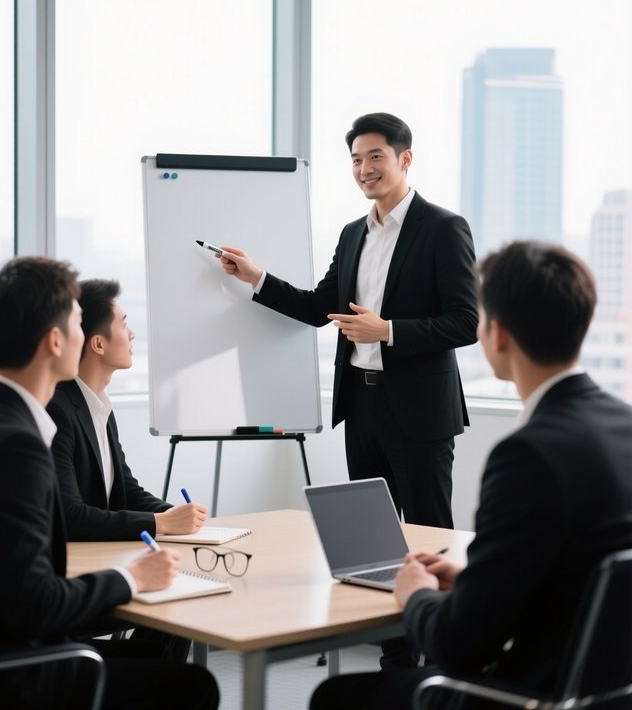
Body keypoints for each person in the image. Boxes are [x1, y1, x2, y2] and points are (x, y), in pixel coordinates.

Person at [309, 241, 632, 709]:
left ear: (496, 335)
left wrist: (416, 596)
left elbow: (458, 645)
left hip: (523, 696)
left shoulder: (527, 455)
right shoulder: (622, 424)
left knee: (337, 697)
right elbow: (578, 577)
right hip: (606, 695)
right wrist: (473, 581)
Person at [0, 257, 218, 710]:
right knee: (194, 686)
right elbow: (35, 604)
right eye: (78, 323)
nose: (84, 336)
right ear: (56, 341)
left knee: (158, 652)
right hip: (6, 674)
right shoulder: (15, 445)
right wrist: (130, 577)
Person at [219, 112, 478, 531]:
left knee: (429, 533)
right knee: (369, 535)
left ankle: (434, 601)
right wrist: (256, 277)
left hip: (419, 410)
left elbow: (467, 322)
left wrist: (388, 331)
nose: (364, 170)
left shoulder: (444, 228)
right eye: (356, 160)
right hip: (361, 405)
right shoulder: (352, 233)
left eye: (375, 157)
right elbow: (319, 307)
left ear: (405, 158)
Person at [48, 278, 207, 543]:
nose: (132, 333)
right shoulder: (57, 410)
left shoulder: (100, 406)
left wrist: (174, 514)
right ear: (98, 344)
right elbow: (69, 516)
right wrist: (162, 522)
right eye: (123, 324)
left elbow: (126, 490)